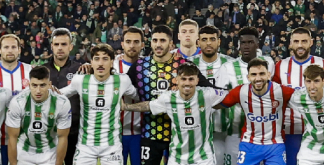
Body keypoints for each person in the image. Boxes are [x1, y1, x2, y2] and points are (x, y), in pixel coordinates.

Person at [123, 64, 229, 165]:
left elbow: (230, 96)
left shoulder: (208, 94)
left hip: (204, 158)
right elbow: (148, 106)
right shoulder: (168, 98)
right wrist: (125, 107)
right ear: (177, 80)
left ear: (197, 80)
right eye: (183, 79)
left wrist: (243, 93)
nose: (187, 83)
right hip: (177, 159)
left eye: (191, 79)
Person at [58, 44, 140, 165]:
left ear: (112, 62)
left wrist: (128, 106)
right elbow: (59, 95)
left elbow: (140, 96)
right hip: (86, 146)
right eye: (96, 59)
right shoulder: (80, 80)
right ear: (91, 62)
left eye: (105, 59)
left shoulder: (122, 81)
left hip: (111, 147)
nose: (100, 63)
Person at [275, 27, 324, 165]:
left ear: (311, 42)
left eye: (304, 41)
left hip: (319, 133)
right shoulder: (280, 66)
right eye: (296, 41)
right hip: (291, 131)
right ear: (290, 43)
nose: (300, 45)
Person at [216, 58, 295, 165]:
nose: (258, 78)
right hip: (249, 144)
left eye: (261, 74)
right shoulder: (240, 91)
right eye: (253, 74)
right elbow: (218, 104)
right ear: (248, 77)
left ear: (268, 75)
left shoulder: (281, 91)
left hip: (275, 144)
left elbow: (303, 99)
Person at [129, 25, 186, 165]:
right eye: (155, 40)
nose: (158, 44)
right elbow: (120, 83)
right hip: (149, 133)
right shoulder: (139, 66)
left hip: (177, 134)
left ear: (171, 43)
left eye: (162, 40)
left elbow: (205, 87)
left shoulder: (183, 65)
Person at [6, 66, 73, 165]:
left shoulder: (62, 102)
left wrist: (58, 163)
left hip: (50, 152)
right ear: (29, 85)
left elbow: (62, 137)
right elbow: (12, 137)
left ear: (49, 85)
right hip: (24, 151)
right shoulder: (18, 102)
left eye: (42, 85)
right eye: (34, 85)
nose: (38, 90)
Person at [193, 26, 239, 165]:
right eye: (204, 40)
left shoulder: (231, 64)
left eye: (212, 39)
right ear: (198, 43)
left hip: (226, 127)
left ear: (219, 42)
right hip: (197, 128)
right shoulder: (189, 63)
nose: (208, 43)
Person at [0, 35, 33, 165]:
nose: (10, 50)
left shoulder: (30, 71)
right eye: (6, 47)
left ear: (19, 50)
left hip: (27, 139)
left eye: (13, 47)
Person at [48, 28, 83, 165]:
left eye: (64, 44)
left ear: (71, 47)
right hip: (49, 132)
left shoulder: (81, 69)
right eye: (56, 44)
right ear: (51, 46)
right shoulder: (43, 71)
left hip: (73, 131)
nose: (60, 48)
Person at [117, 28, 146, 165]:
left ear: (142, 44)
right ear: (122, 44)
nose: (132, 45)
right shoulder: (111, 65)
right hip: (116, 133)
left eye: (136, 42)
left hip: (141, 133)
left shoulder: (148, 66)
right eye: (128, 42)